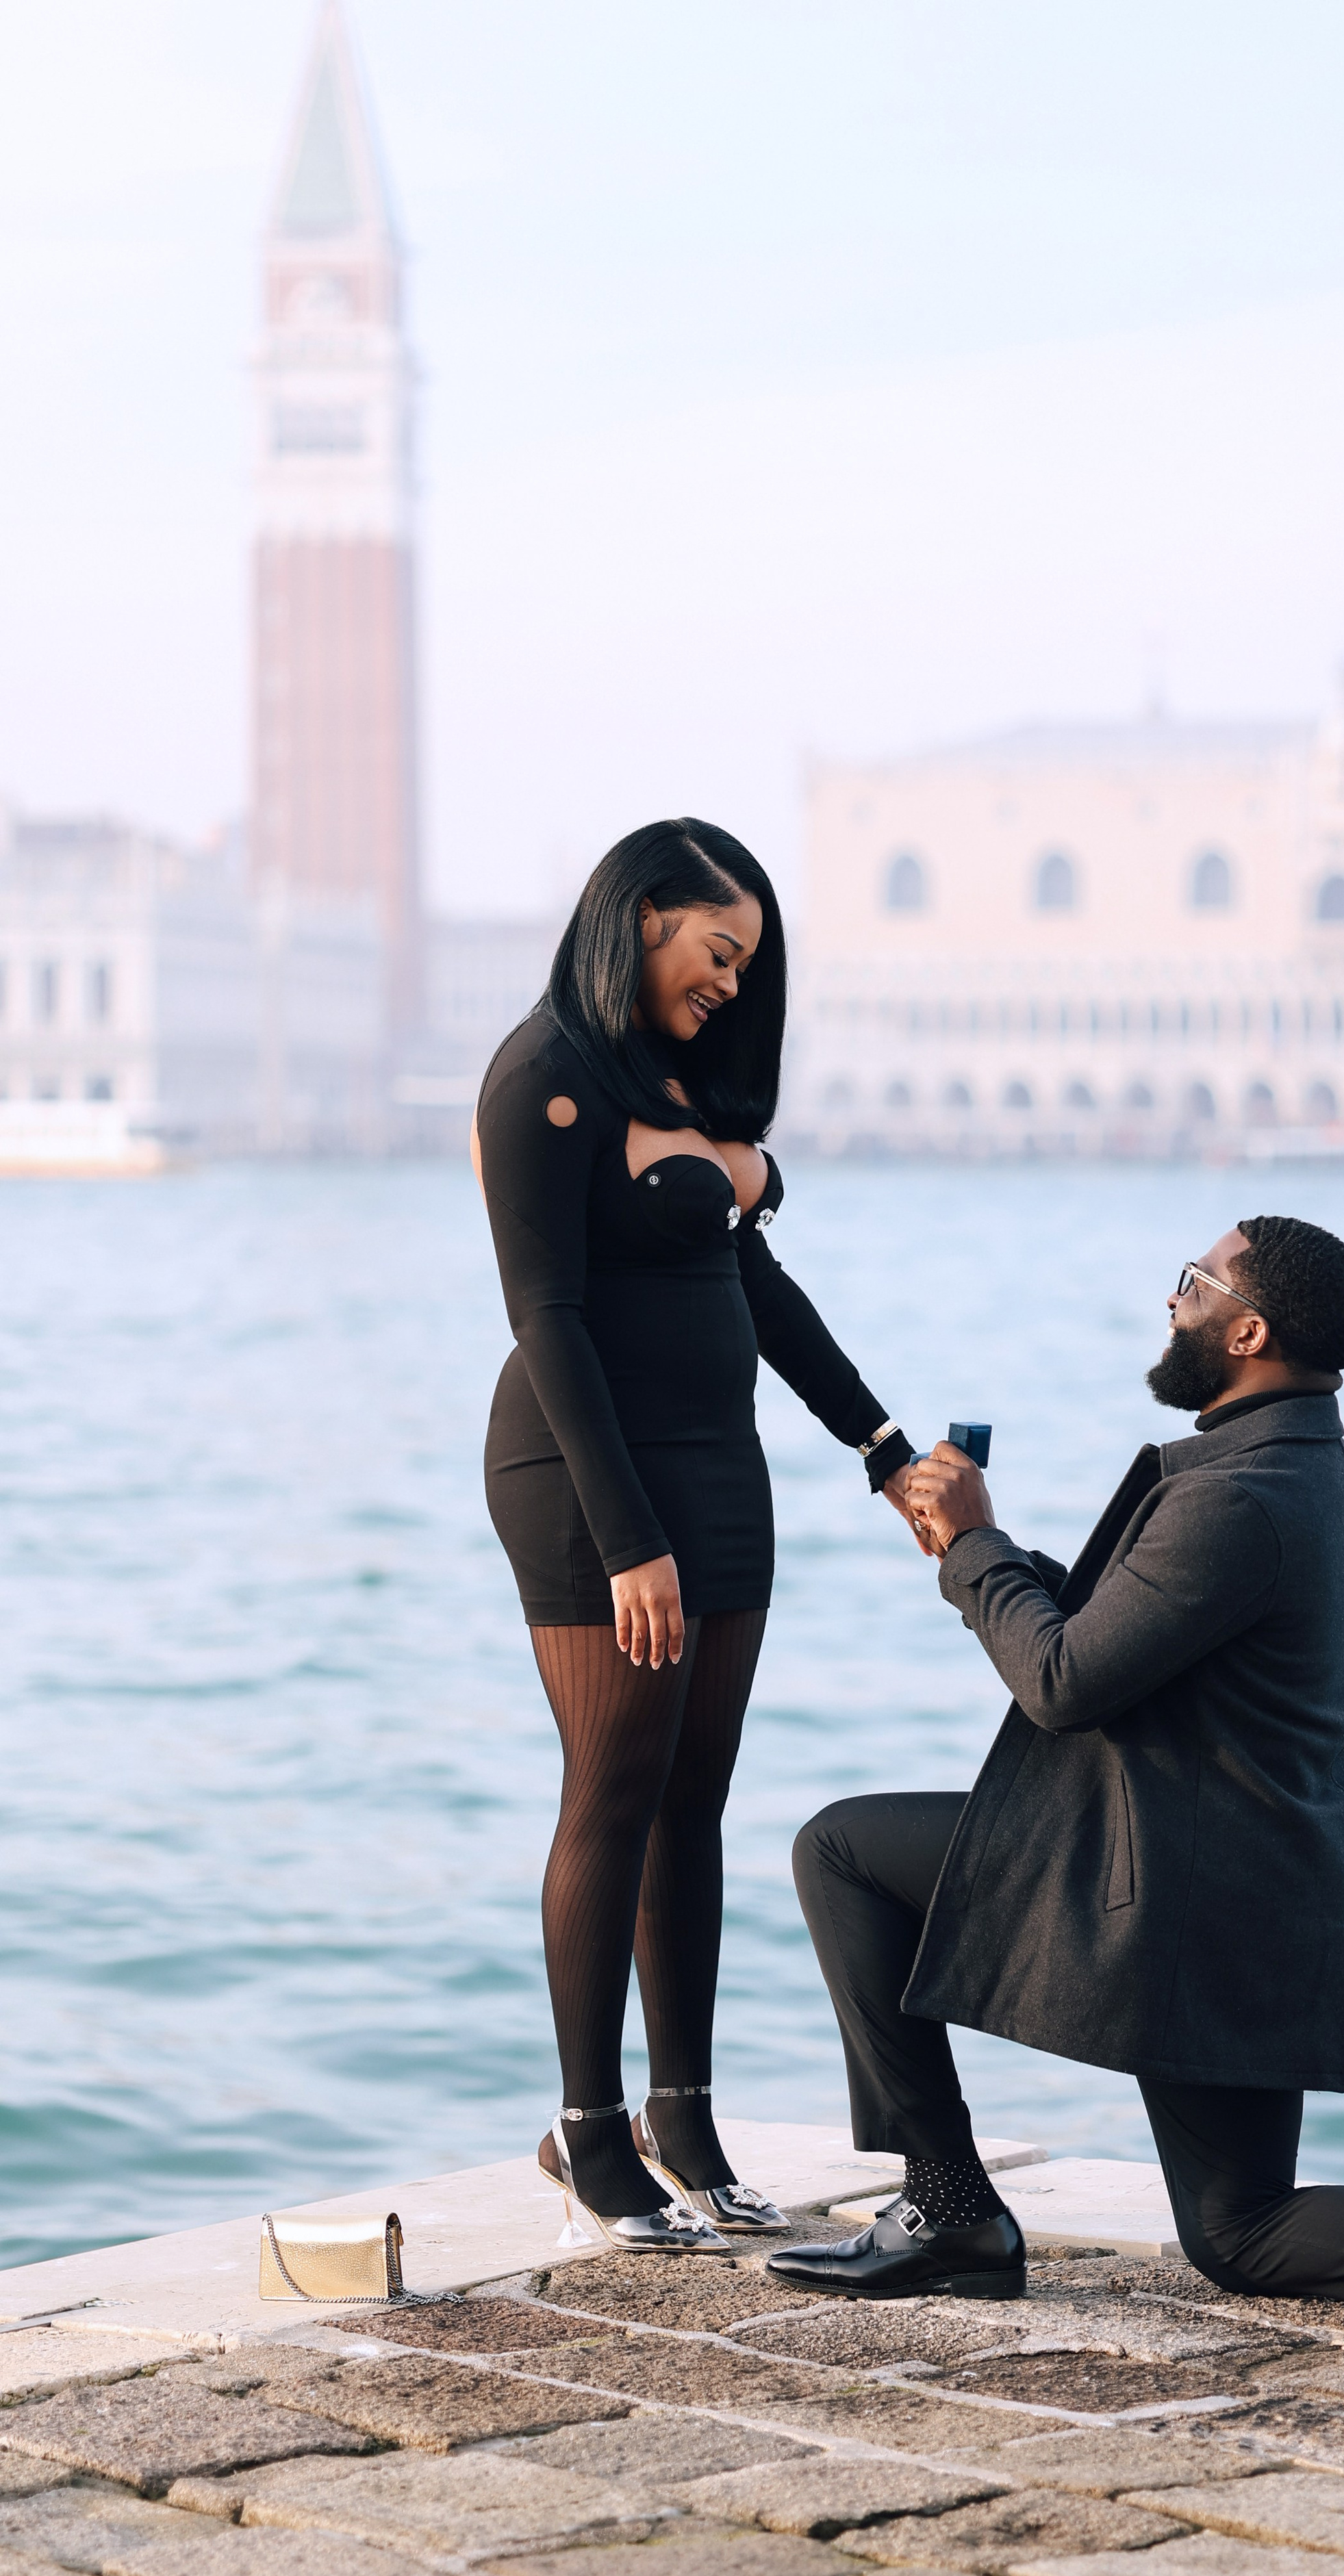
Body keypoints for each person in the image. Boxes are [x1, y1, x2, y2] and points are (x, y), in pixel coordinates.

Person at [770, 1214, 1344, 2382]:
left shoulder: (1237, 1496)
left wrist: (976, 1550)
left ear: (1248, 1329)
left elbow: (1065, 1680)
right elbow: (1130, 1634)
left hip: (1172, 1898)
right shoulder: (1316, 1475)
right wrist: (974, 1552)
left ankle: (946, 2207)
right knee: (1240, 2230)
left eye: (1193, 1282)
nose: (1173, 1302)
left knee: (839, 1851)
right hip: (1267, 1901)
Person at [474, 818, 919, 2252]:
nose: (732, 982)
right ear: (644, 917)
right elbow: (543, 1318)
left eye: (749, 963)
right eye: (716, 951)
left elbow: (762, 1291)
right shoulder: (538, 1079)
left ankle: (685, 2118)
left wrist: (882, 1451)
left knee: (694, 1802)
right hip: (584, 1474)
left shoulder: (675, 1079)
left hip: (721, 1474)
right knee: (611, 1788)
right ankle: (586, 2132)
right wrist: (624, 1543)